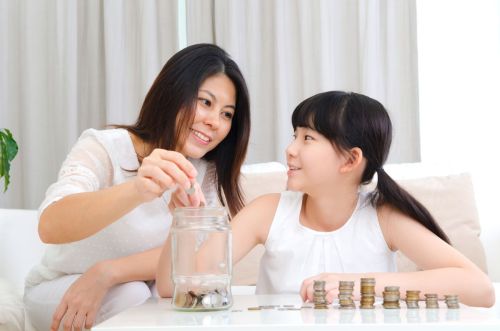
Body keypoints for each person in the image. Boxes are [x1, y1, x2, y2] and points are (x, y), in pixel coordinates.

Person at [157, 91, 495, 308]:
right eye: (294, 136)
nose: (291, 149)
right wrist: (182, 222)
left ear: (350, 160)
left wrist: (355, 284)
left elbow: (479, 288)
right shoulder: (267, 212)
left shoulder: (383, 217)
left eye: (308, 138)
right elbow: (174, 288)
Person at [24, 43, 251, 331]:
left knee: (174, 299)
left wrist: (108, 272)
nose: (214, 122)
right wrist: (138, 190)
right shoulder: (105, 147)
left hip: (139, 287)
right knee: (136, 295)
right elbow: (50, 226)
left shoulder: (206, 172)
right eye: (205, 102)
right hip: (62, 286)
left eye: (227, 114)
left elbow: (193, 261)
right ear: (173, 93)